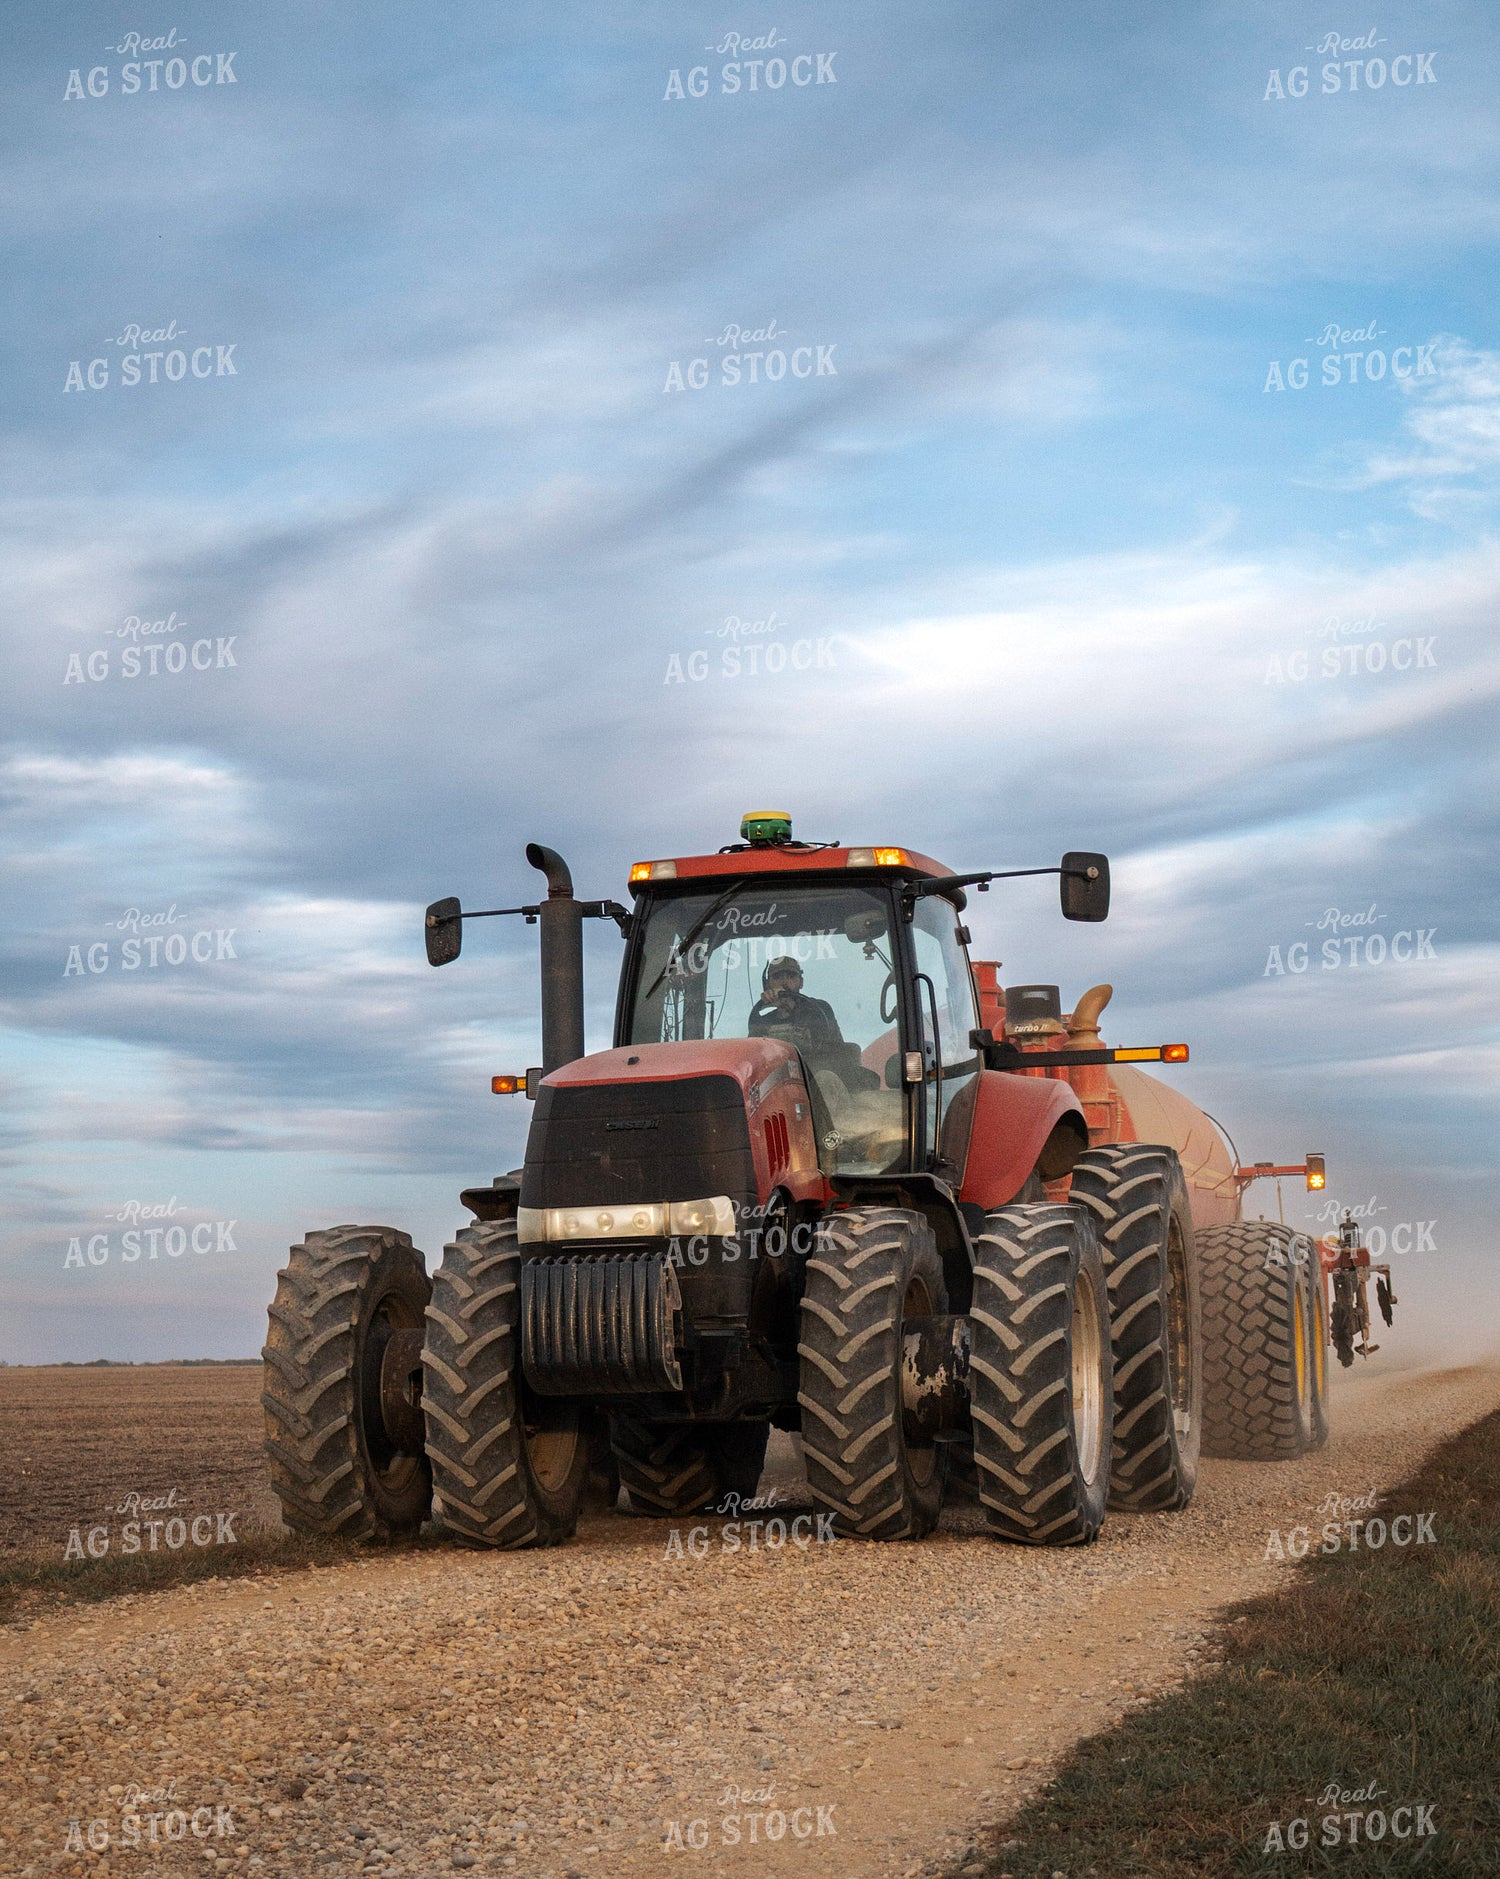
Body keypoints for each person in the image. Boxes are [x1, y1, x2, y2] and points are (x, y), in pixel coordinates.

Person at [748, 956, 880, 1090]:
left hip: (817, 1084)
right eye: (777, 977)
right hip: (779, 1086)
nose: (784, 982)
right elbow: (753, 1057)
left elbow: (829, 1048)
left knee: (825, 1080)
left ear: (801, 982)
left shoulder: (819, 1010)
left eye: (791, 976)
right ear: (767, 985)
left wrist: (790, 1005)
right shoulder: (761, 1021)